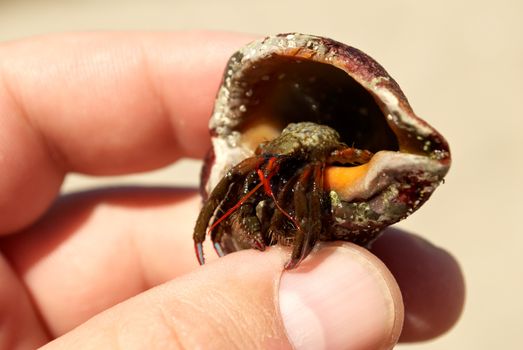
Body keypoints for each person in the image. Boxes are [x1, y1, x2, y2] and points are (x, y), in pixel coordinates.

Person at [0, 32, 464, 349]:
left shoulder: (323, 162)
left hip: (324, 160)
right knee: (261, 178)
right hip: (296, 150)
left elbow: (332, 171)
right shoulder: (272, 156)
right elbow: (258, 169)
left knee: (301, 188)